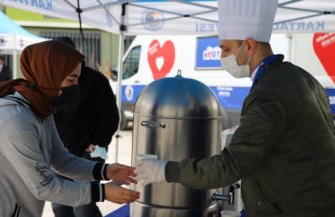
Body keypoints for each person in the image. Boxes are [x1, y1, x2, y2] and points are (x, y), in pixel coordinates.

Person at [135, 0, 335, 217]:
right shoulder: (299, 76)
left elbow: (230, 166)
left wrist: (164, 170)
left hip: (295, 207)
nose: (222, 57)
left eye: (226, 49)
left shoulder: (269, 92)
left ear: (249, 46)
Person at [0, 40, 139, 217]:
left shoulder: (39, 111)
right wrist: (102, 192)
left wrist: (105, 171)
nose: (76, 87)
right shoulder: (14, 119)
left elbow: (60, 160)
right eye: (71, 80)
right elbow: (45, 187)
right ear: (49, 75)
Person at [51, 36, 120, 217]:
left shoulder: (95, 80)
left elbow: (111, 116)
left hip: (88, 152)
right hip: (59, 153)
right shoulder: (51, 80)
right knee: (60, 206)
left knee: (83, 207)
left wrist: (98, 143)